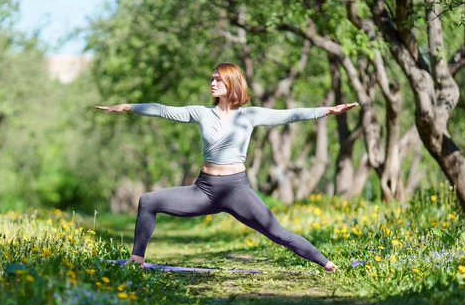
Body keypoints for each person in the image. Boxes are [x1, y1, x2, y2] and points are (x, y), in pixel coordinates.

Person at [96, 62, 358, 272]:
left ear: (231, 83)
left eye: (218, 79)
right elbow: (164, 110)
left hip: (237, 191)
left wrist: (328, 110)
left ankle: (327, 263)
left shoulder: (249, 115)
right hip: (204, 190)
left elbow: (289, 115)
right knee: (148, 201)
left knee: (278, 233)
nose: (212, 83)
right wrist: (128, 107)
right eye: (212, 79)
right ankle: (137, 260)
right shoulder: (201, 113)